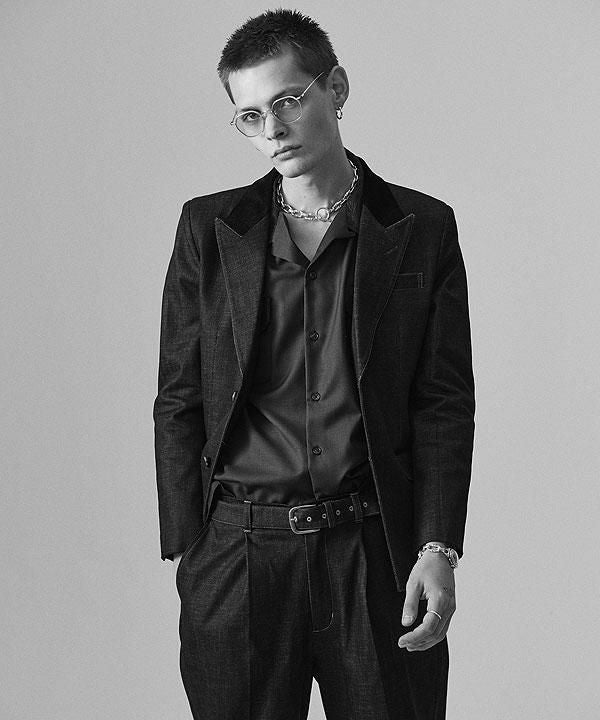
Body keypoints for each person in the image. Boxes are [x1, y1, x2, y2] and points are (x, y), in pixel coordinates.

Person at [153, 9, 475, 720]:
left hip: (373, 551)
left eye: (288, 101)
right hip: (238, 555)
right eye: (250, 115)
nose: (271, 129)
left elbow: (442, 402)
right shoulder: (209, 229)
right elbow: (179, 394)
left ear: (337, 87)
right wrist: (189, 551)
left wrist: (437, 546)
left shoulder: (422, 228)